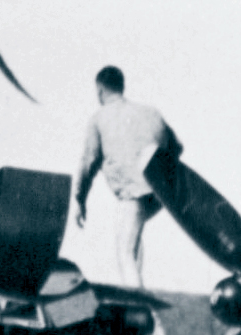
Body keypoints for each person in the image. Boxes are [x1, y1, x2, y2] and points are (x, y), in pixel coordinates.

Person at [69, 66, 177, 287]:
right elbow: (177, 147)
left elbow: (88, 162)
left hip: (133, 192)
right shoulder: (151, 112)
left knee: (124, 251)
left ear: (99, 90)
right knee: (133, 237)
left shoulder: (99, 118)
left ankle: (139, 304)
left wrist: (79, 200)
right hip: (161, 192)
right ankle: (139, 289)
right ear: (122, 86)